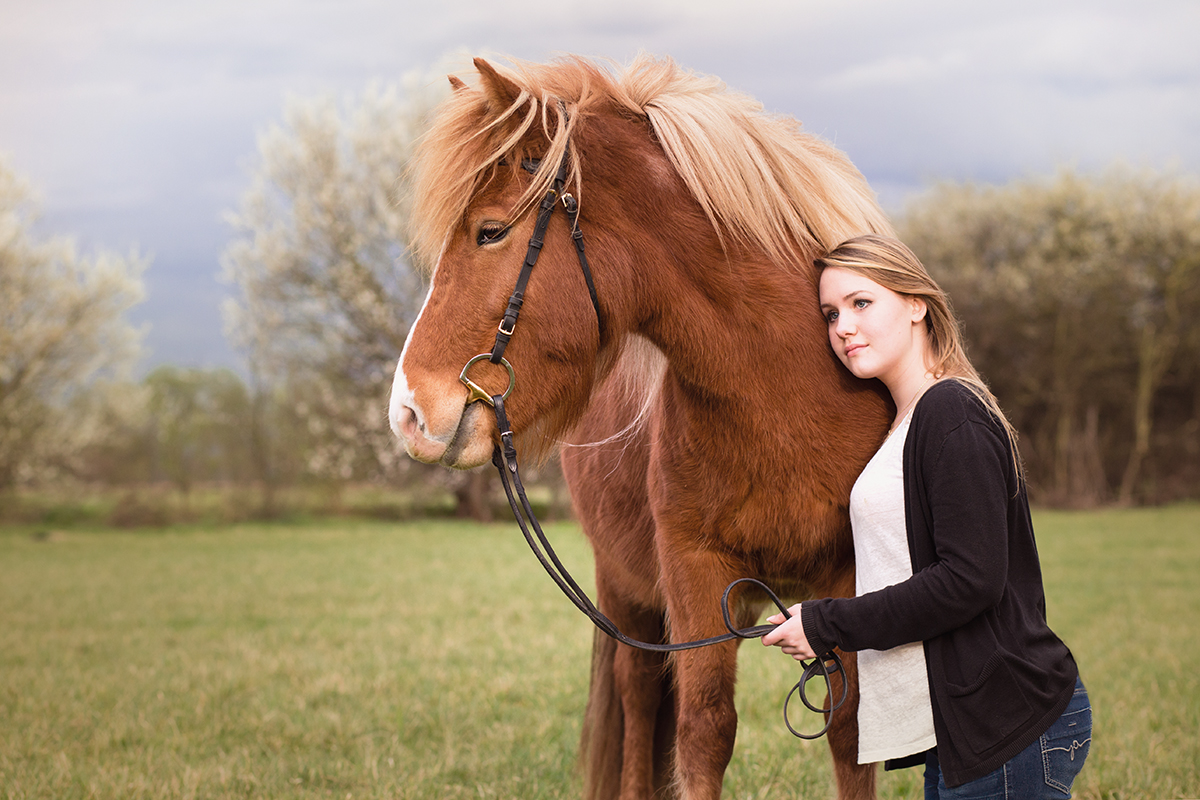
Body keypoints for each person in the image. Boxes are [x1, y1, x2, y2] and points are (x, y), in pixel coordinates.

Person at [762, 235, 1091, 798]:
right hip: (961, 730)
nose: (842, 326)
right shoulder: (905, 420)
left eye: (861, 303)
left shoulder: (950, 410)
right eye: (831, 313)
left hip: (1006, 725)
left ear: (916, 304)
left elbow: (971, 580)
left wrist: (827, 624)